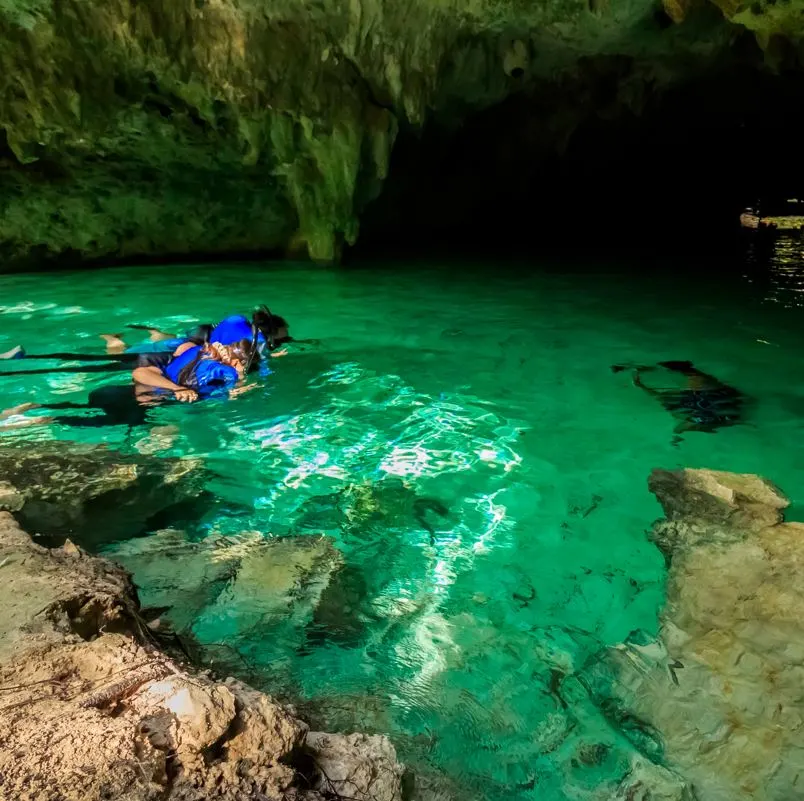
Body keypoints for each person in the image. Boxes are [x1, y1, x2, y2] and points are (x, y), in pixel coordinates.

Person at [0, 307, 292, 378]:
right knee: (105, 366)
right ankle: (27, 359)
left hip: (176, 345)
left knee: (114, 361)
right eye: (283, 333)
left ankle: (120, 340)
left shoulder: (237, 323)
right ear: (272, 331)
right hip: (172, 354)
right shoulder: (256, 342)